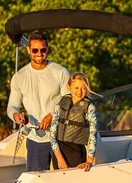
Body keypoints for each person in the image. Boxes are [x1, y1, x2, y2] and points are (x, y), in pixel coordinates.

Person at [6, 30, 70, 171]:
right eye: (35, 50)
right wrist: (16, 116)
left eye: (43, 49)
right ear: (28, 50)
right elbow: (12, 106)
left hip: (61, 138)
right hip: (35, 140)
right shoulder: (19, 77)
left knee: (66, 182)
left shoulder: (61, 72)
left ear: (47, 49)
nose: (39, 53)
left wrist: (52, 115)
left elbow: (69, 101)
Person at [51, 72, 99, 172]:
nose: (79, 91)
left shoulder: (90, 107)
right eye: (76, 88)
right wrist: (59, 158)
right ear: (69, 87)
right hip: (59, 152)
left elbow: (93, 136)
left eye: (83, 88)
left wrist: (89, 161)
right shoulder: (61, 103)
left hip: (77, 153)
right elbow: (52, 134)